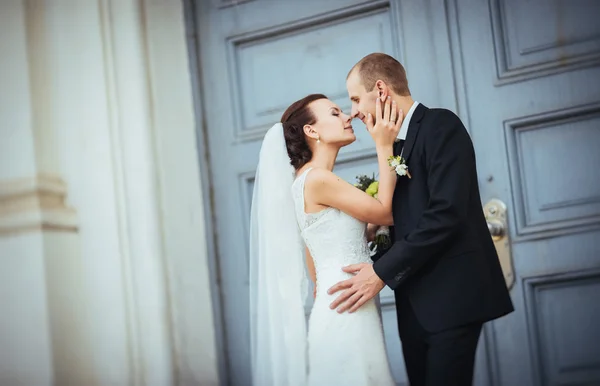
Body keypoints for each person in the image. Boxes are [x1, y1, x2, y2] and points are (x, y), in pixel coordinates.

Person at [327, 53, 515, 386]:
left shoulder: (440, 126)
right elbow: (406, 219)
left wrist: (380, 273)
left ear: (381, 90)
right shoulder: (389, 145)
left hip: (452, 300)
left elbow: (446, 213)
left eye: (356, 98)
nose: (353, 111)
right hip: (413, 305)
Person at [249, 93, 401, 385]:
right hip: (346, 308)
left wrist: (367, 232)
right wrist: (384, 144)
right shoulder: (318, 179)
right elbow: (386, 212)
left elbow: (315, 257)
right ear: (312, 130)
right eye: (335, 113)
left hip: (342, 301)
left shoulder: (305, 180)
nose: (348, 117)